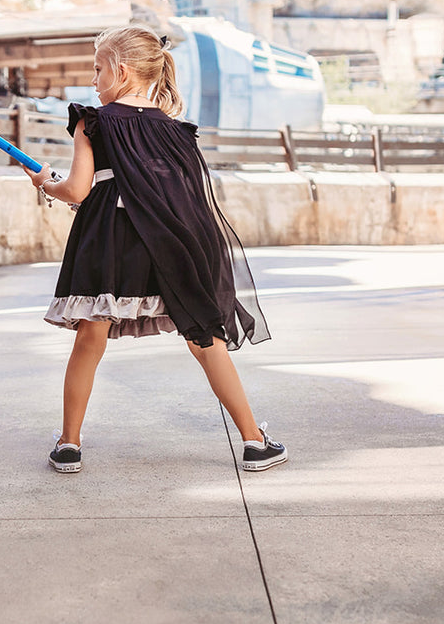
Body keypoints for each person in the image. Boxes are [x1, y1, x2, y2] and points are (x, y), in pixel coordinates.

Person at [24, 24, 286, 475]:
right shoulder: (178, 131)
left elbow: (79, 191)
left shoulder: (93, 121)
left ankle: (69, 444)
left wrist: (45, 183)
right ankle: (253, 441)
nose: (92, 79)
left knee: (91, 337)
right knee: (206, 340)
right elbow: (187, 199)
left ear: (121, 71)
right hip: (172, 243)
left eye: (97, 69)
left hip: (111, 241)